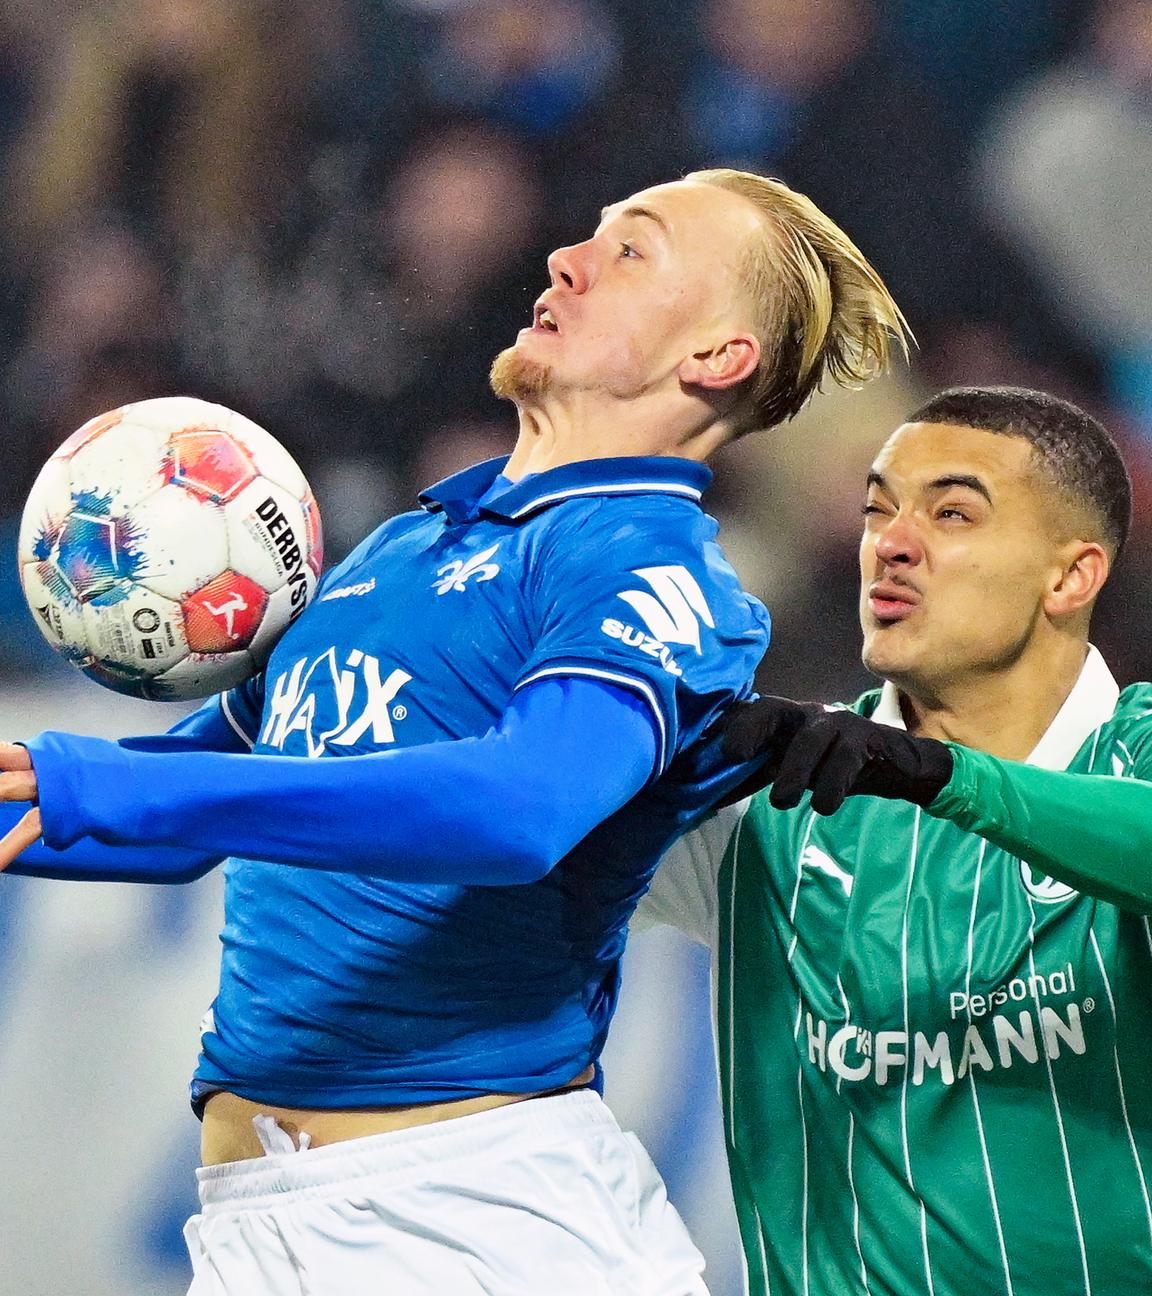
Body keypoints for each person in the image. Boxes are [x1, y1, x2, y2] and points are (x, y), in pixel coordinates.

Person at [0, 168, 906, 1294]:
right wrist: (70, 788)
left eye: (632, 251)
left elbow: (518, 812)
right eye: (587, 234)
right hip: (258, 1224)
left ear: (717, 356)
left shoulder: (649, 568)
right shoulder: (400, 549)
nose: (566, 260)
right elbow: (187, 804)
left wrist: (118, 786)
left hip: (479, 1218)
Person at [640, 385, 1152, 1296]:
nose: (892, 542)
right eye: (878, 510)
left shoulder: (1132, 752)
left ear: (1071, 576)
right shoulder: (771, 800)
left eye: (952, 513)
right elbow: (492, 854)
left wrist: (945, 777)